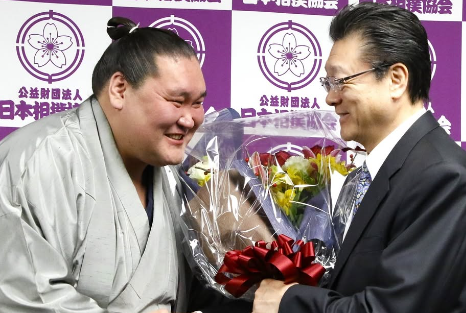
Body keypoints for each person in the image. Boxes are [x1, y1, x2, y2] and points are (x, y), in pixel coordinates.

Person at [0, 17, 251, 313]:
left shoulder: (169, 172)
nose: (189, 119)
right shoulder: (40, 158)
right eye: (176, 100)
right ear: (119, 88)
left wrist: (269, 293)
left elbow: (185, 286)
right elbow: (27, 298)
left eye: (196, 103)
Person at [252, 2, 466, 313]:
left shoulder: (442, 176)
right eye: (328, 83)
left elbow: (394, 308)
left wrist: (287, 301)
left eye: (340, 80)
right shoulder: (371, 173)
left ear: (396, 79)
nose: (330, 97)